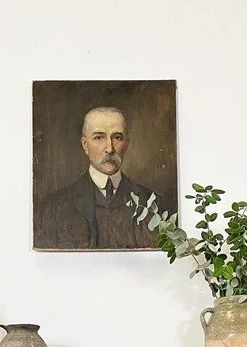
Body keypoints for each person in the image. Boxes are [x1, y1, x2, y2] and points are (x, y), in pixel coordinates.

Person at [36, 106, 162, 250]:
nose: (109, 148)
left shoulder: (154, 204)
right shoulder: (53, 208)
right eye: (99, 137)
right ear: (85, 145)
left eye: (117, 137)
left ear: (126, 145)